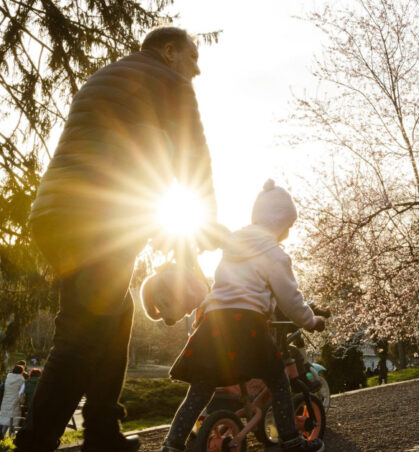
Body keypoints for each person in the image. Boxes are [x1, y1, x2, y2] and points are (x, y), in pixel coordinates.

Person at [17, 26, 221, 452]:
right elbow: (193, 155)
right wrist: (207, 224)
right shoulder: (170, 80)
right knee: (80, 332)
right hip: (98, 218)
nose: (197, 69)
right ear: (169, 52)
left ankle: (102, 431)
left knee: (115, 314)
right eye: (192, 57)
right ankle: (35, 443)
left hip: (54, 215)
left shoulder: (107, 76)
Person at [161, 180, 326, 452]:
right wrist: (310, 321)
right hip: (247, 326)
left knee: (200, 390)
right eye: (289, 225)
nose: (288, 231)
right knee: (278, 380)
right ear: (279, 222)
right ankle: (292, 441)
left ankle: (171, 446)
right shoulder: (274, 255)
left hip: (214, 323)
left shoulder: (233, 246)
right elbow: (291, 299)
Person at [0, 366, 26, 439]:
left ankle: (2, 436)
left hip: (6, 400)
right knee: (12, 420)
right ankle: (10, 437)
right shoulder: (21, 379)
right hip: (15, 400)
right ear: (22, 371)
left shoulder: (8, 377)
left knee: (5, 419)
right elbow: (21, 392)